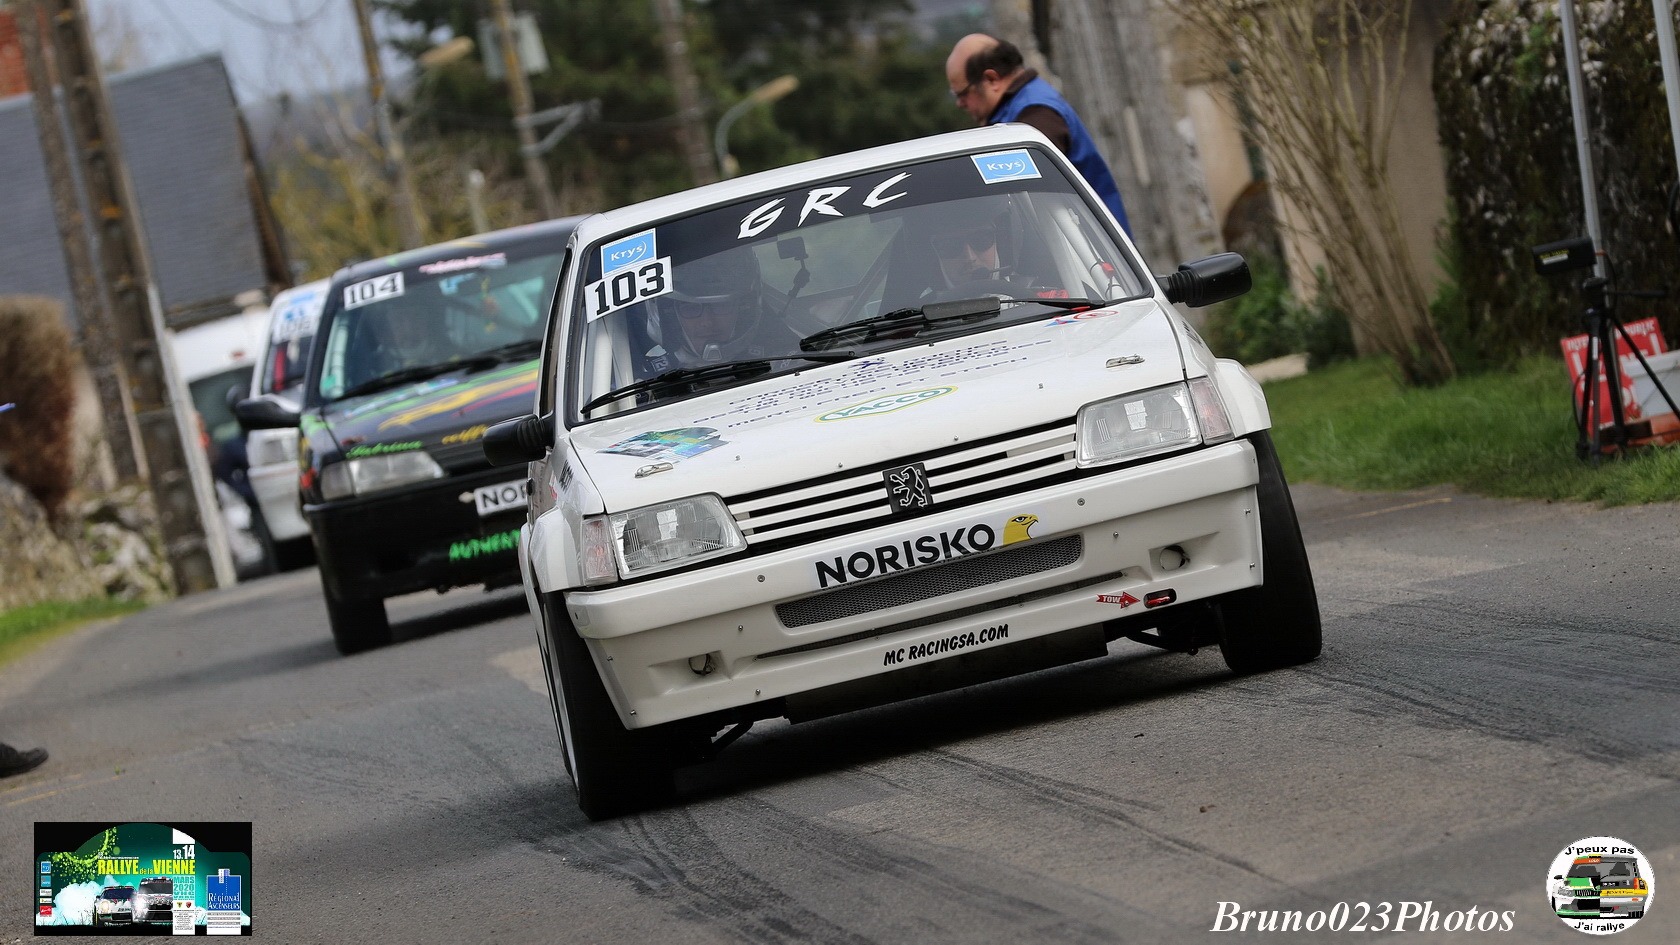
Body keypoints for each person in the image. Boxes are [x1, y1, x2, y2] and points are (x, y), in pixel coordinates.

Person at [946, 34, 1133, 237]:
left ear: (992, 79)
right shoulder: (1024, 106)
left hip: (1088, 247)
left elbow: (1026, 199)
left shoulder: (1036, 115)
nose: (960, 104)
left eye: (962, 94)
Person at [641, 248, 797, 373]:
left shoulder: (790, 362)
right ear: (670, 315)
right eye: (691, 308)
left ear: (743, 309)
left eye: (721, 306)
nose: (707, 322)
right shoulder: (639, 379)